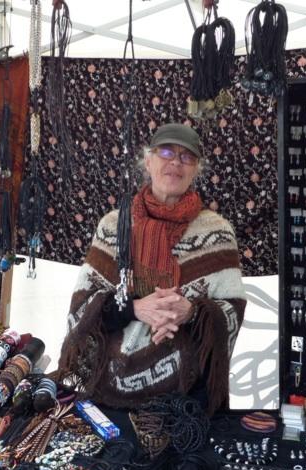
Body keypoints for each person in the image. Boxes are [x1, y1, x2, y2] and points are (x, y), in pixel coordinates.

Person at [57, 123, 246, 414]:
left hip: (184, 402)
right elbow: (82, 306)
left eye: (186, 157)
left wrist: (190, 312)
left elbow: (233, 309)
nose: (176, 163)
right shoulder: (113, 226)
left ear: (196, 170)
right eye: (166, 152)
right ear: (148, 161)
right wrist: (134, 308)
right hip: (107, 392)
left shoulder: (217, 233)